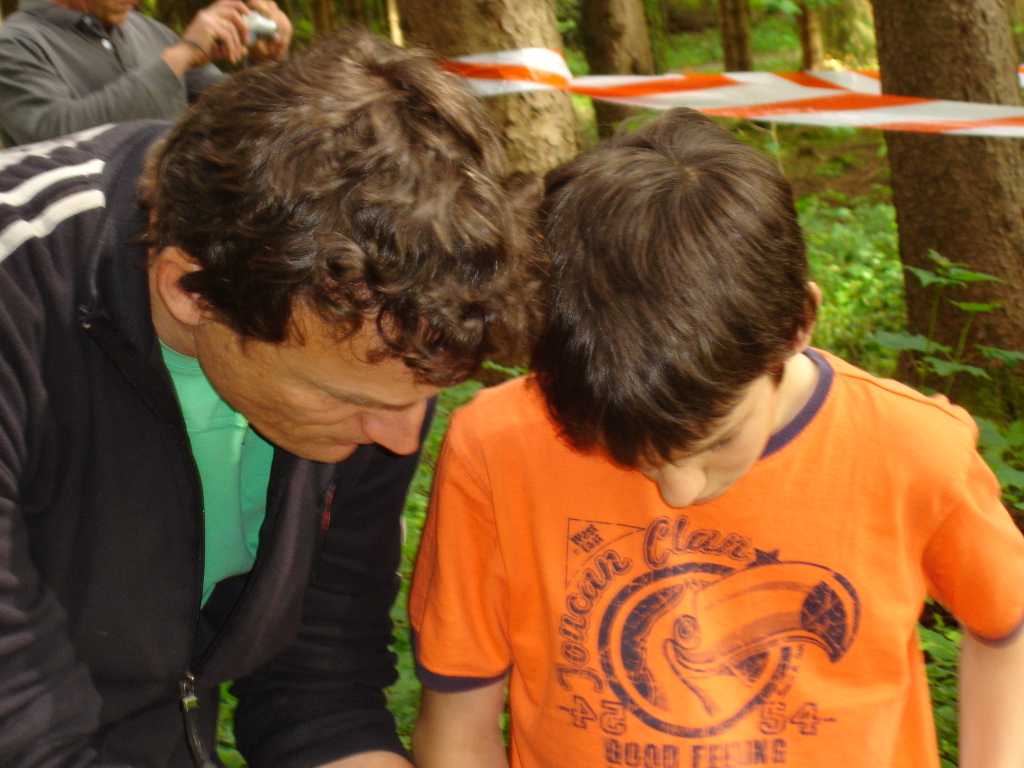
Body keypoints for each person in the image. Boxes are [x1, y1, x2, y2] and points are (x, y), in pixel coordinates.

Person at [408, 108, 1024, 768]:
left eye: (716, 439)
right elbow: (458, 726)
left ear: (797, 324)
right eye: (631, 455)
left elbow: (1007, 625)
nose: (678, 492)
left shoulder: (911, 450)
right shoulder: (497, 449)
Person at [0, 30, 539, 768]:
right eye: (346, 399)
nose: (399, 438)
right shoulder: (23, 300)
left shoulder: (382, 349)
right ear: (191, 292)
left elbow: (316, 688)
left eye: (427, 398)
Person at [0, 0, 292, 147]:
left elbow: (231, 111)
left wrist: (266, 65)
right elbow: (54, 135)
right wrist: (179, 57)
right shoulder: (14, 44)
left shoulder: (147, 29)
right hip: (81, 241)